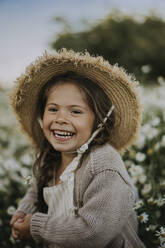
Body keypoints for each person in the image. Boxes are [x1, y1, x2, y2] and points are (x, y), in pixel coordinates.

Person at [10, 49, 145, 247]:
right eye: (53, 109)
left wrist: (35, 227)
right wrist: (25, 212)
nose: (60, 119)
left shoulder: (104, 165)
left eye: (75, 111)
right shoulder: (51, 156)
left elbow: (94, 232)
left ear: (99, 121)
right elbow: (35, 190)